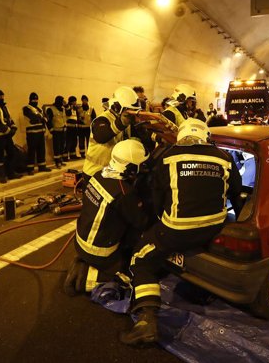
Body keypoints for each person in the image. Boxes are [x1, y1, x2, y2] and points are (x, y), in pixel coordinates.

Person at [120, 119, 243, 345]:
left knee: (140, 259)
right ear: (206, 136)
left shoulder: (168, 157)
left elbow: (157, 198)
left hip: (176, 231)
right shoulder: (225, 159)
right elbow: (237, 192)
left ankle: (147, 320)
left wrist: (157, 224)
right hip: (214, 228)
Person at [64, 139, 150, 296]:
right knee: (129, 275)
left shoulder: (98, 175)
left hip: (80, 241)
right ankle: (86, 277)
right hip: (100, 253)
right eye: (141, 166)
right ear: (131, 168)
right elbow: (141, 221)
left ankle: (84, 261)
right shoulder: (124, 193)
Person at [82, 86, 148, 181]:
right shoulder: (102, 119)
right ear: (117, 107)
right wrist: (121, 123)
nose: (131, 113)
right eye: (129, 109)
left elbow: (136, 141)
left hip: (112, 172)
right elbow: (102, 137)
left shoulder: (127, 120)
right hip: (94, 172)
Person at [0, 89, 21, 184]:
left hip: (7, 135)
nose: (2, 98)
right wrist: (8, 130)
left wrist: (13, 127)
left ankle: (11, 172)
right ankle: (2, 175)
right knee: (0, 156)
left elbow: (9, 118)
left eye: (2, 96)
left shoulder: (4, 107)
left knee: (11, 153)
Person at [23, 92, 50, 175]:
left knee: (41, 150)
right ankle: (30, 168)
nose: (35, 101)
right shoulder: (27, 108)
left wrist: (41, 118)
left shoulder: (39, 109)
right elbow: (33, 117)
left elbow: (46, 118)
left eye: (36, 99)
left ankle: (42, 166)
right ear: (30, 100)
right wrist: (41, 118)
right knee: (31, 151)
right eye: (33, 99)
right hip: (32, 133)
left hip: (41, 132)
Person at [46, 96, 67, 168]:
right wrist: (51, 129)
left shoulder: (63, 108)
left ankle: (60, 160)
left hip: (63, 130)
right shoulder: (51, 109)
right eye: (62, 101)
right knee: (56, 147)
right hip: (56, 131)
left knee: (62, 146)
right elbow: (48, 120)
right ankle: (57, 162)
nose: (62, 103)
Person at [76, 95, 97, 159]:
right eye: (83, 100)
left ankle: (89, 153)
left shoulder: (91, 108)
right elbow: (76, 117)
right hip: (81, 127)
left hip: (88, 127)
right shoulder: (79, 108)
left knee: (89, 141)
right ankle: (82, 154)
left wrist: (94, 127)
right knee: (81, 141)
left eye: (85, 100)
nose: (84, 101)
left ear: (87, 100)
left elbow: (94, 118)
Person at [64, 96, 79, 161]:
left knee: (74, 142)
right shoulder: (67, 107)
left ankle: (73, 155)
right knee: (68, 142)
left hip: (74, 127)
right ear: (71, 102)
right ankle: (65, 156)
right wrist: (70, 107)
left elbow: (76, 117)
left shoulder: (75, 109)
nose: (75, 102)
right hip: (69, 127)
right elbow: (68, 114)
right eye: (74, 101)